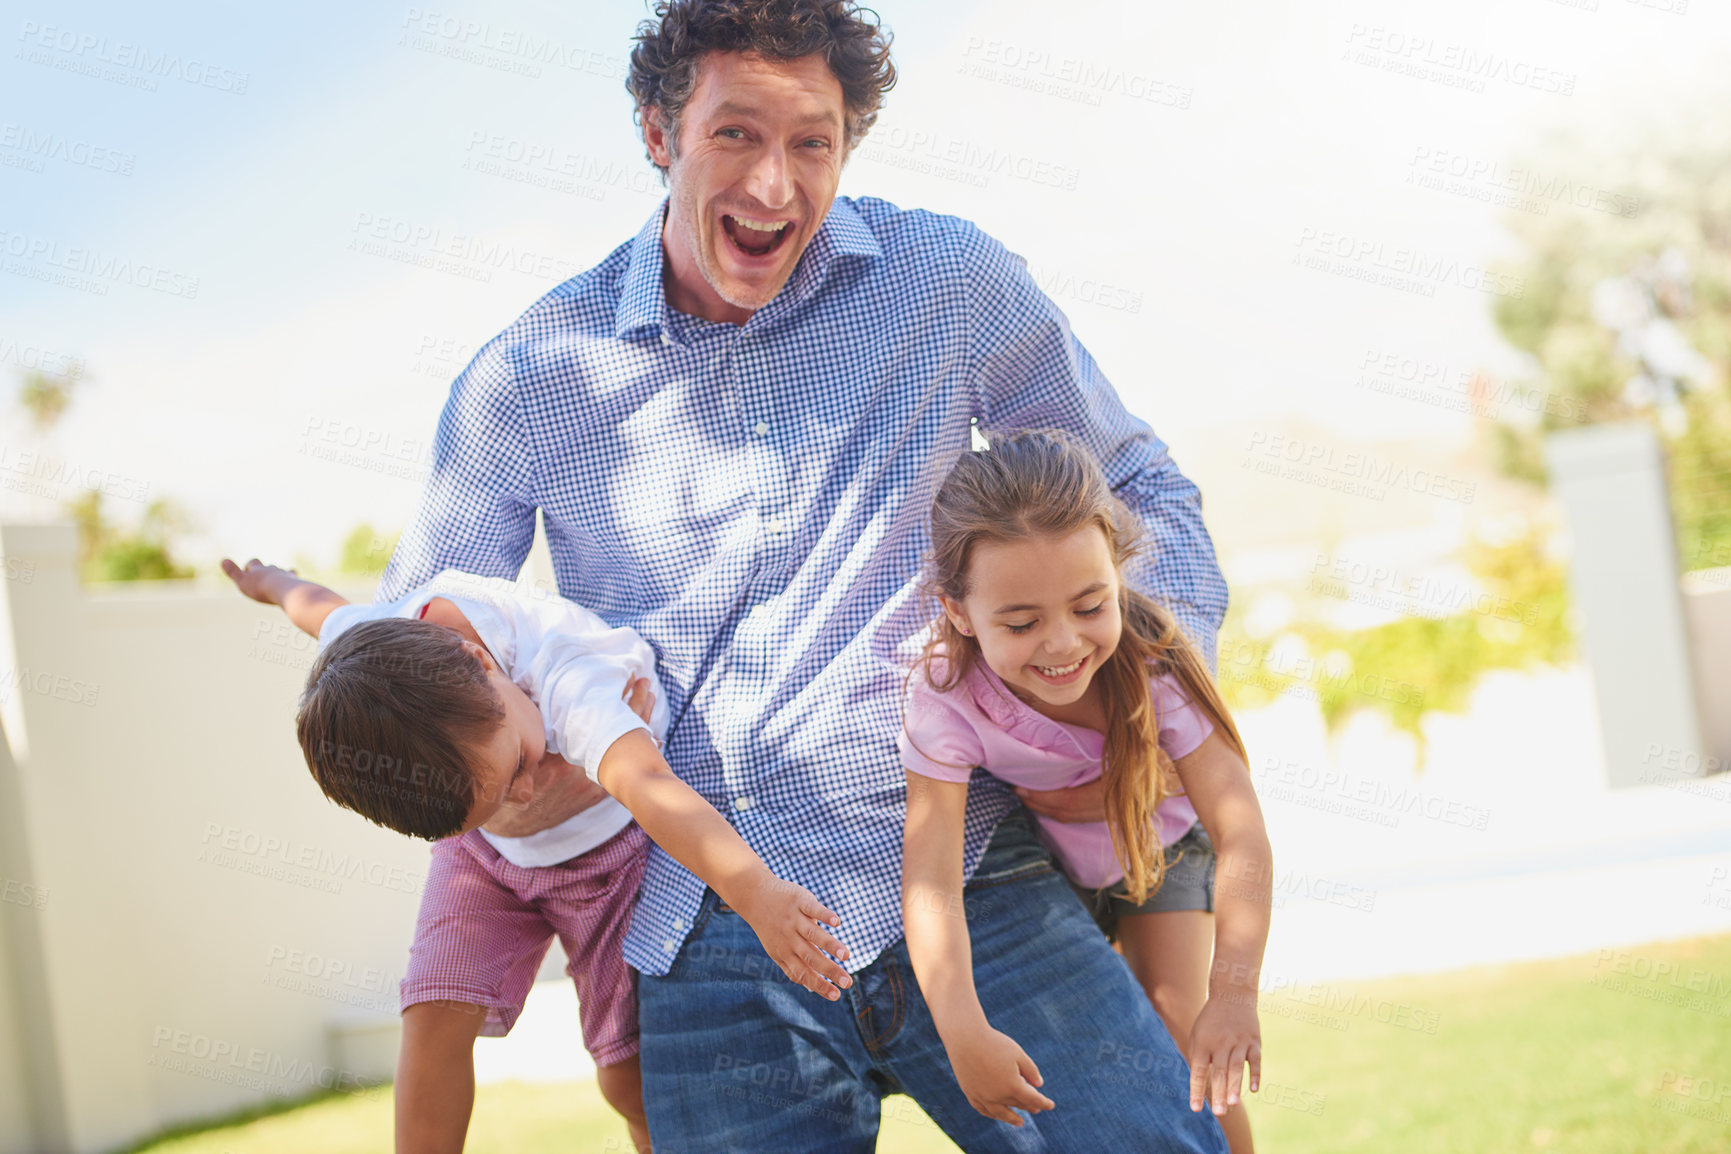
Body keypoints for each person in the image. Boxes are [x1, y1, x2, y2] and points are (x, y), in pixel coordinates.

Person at [374, 1, 1234, 1147]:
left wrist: (1117, 686)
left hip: (970, 867)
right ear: (656, 131)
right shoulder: (531, 379)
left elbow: (1140, 488)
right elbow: (413, 654)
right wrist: (522, 768)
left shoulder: (945, 281)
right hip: (705, 923)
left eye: (812, 142)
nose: (775, 185)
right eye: (735, 134)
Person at [221, 559, 852, 1153]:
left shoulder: (566, 672)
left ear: (481, 662)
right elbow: (320, 609)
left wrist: (758, 896)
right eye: (494, 798)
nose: (526, 789)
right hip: (486, 860)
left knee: (624, 1077)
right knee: (433, 1013)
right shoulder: (377, 653)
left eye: (519, 764)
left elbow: (657, 794)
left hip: (609, 853)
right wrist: (272, 582)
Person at [897, 430, 1272, 1152]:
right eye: (1020, 622)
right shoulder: (944, 700)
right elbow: (930, 880)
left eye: (1089, 604)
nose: (1063, 643)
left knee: (1175, 1013)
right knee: (1094, 1051)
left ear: (1116, 573)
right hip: (1054, 869)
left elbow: (1241, 833)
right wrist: (960, 1026)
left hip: (1160, 849)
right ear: (956, 611)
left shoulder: (1153, 663)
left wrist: (1232, 993)